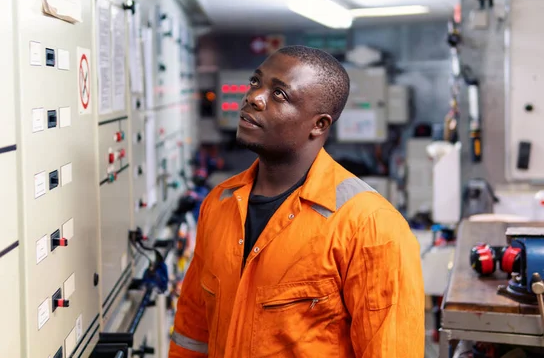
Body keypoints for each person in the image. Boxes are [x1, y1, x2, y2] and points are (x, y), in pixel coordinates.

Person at [169, 46, 425, 358]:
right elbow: (193, 334)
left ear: (319, 125)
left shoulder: (369, 226)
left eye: (279, 94)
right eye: (255, 82)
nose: (253, 97)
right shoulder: (219, 202)